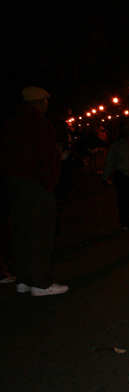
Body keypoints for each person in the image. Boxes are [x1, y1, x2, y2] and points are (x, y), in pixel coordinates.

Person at [0, 87, 68, 296]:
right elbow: (47, 159)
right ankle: (40, 283)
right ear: (41, 103)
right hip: (35, 185)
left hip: (14, 183)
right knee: (41, 234)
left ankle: (24, 279)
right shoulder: (40, 125)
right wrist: (50, 184)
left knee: (21, 232)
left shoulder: (12, 124)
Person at [102, 121, 129, 231]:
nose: (127, 130)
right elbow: (110, 161)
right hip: (122, 175)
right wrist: (105, 176)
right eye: (125, 128)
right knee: (123, 201)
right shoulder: (117, 145)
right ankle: (125, 222)